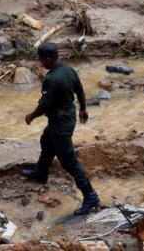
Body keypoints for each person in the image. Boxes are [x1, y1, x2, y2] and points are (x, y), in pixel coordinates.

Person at [22, 42, 100, 216]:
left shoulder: (52, 79)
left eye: (41, 59)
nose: (40, 63)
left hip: (61, 122)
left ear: (49, 58)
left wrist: (31, 116)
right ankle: (41, 173)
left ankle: (90, 196)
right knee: (46, 141)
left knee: (68, 161)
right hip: (66, 117)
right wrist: (83, 108)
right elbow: (80, 91)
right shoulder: (69, 70)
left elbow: (43, 105)